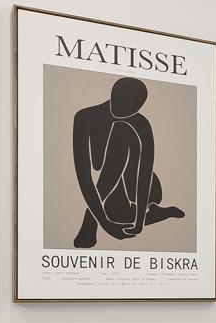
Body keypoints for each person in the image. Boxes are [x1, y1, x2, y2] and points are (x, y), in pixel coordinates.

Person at [71, 77, 184, 248]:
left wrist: (140, 221)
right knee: (119, 216)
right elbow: (83, 176)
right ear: (112, 95)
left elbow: (145, 172)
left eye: (134, 108)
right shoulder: (84, 117)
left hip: (143, 189)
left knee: (122, 131)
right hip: (114, 194)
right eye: (123, 104)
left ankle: (92, 221)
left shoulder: (141, 123)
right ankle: (156, 212)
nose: (127, 111)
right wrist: (105, 223)